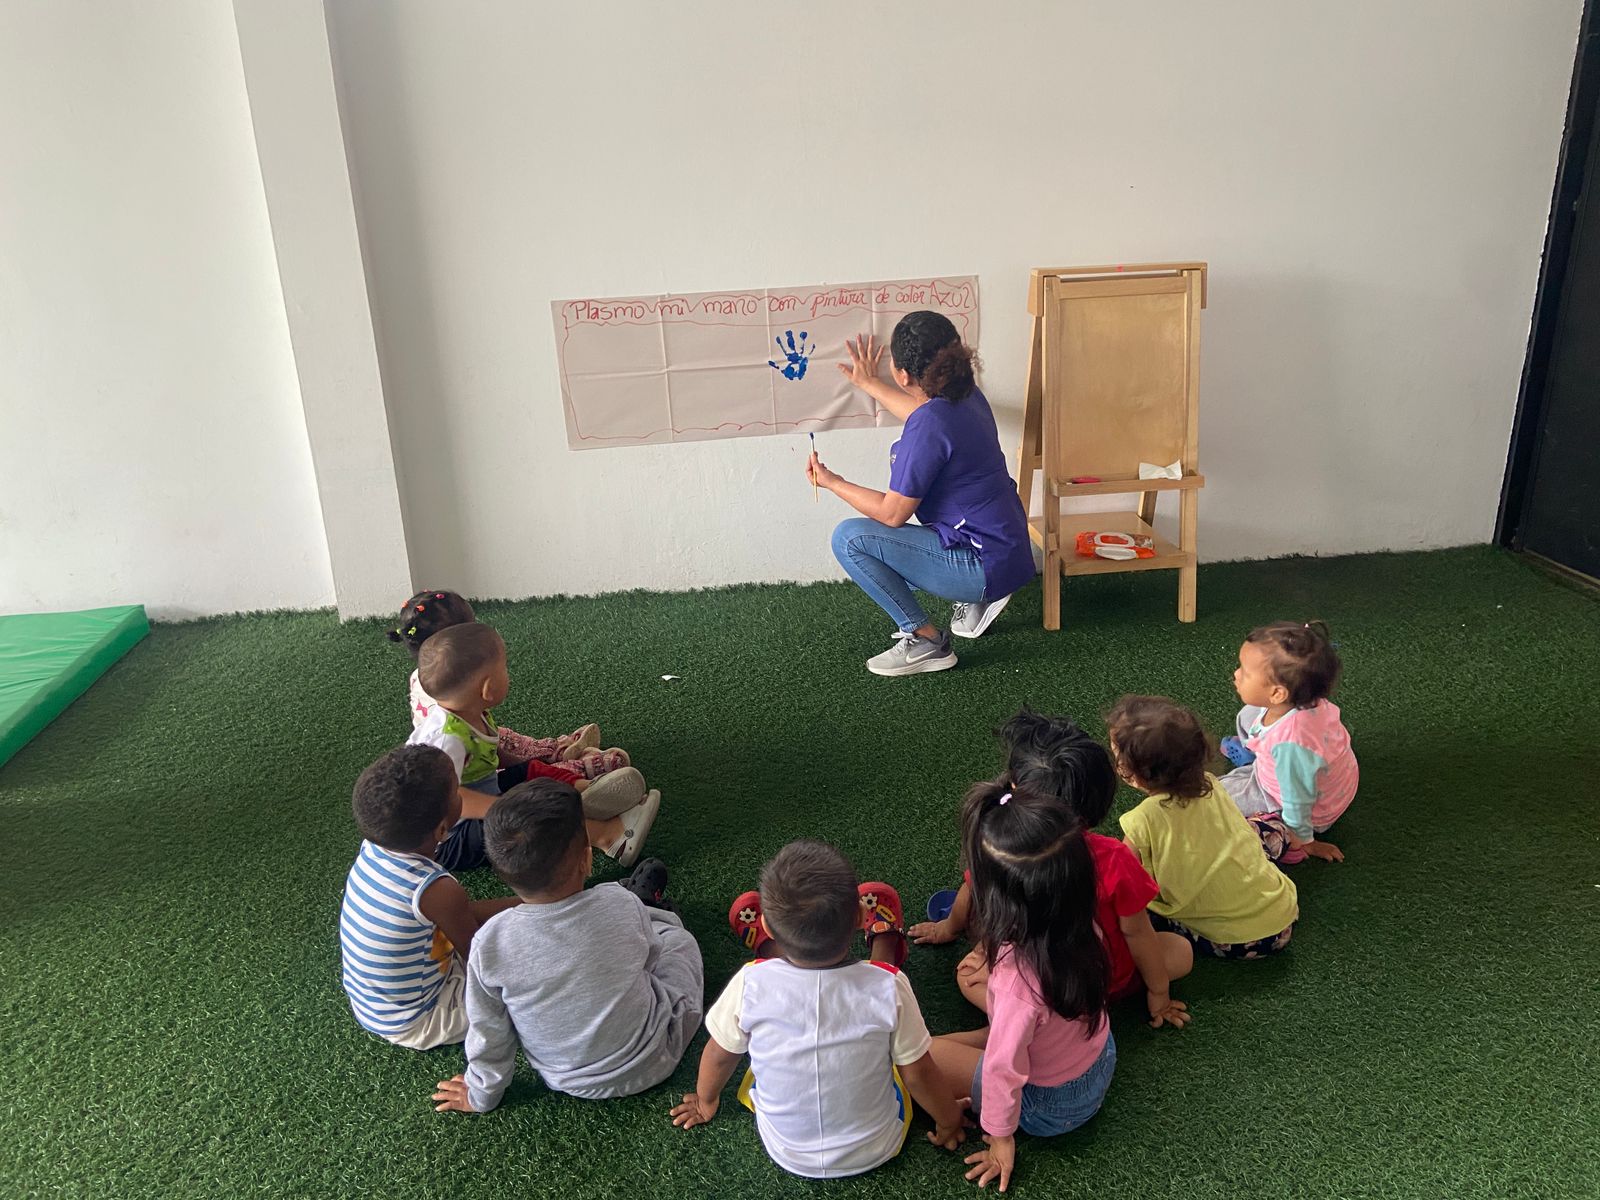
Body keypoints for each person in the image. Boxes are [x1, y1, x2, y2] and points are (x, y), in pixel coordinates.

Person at [669, 841, 965, 1180]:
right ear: (860, 916)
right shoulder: (890, 986)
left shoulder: (750, 983)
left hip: (786, 1150)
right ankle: (884, 948)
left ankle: (773, 951)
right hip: (878, 1144)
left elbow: (720, 1055)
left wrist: (706, 1101)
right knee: (893, 1036)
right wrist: (949, 1121)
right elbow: (918, 1073)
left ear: (766, 925)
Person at [909, 708, 1193, 1030]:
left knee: (968, 975)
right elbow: (1137, 932)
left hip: (1044, 986)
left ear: (1015, 790)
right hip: (1105, 981)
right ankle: (1067, 1015)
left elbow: (971, 890)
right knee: (1181, 951)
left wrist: (948, 928)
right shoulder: (1115, 857)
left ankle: (1037, 1022)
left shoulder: (1000, 850)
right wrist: (1159, 992)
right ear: (1098, 801)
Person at [431, 780, 703, 1112]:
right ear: (587, 859)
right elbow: (650, 957)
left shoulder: (488, 944)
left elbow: (489, 1034)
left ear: (504, 874)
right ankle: (656, 910)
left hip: (568, 1079)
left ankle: (650, 910)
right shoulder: (619, 902)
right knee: (676, 941)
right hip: (658, 1053)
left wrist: (480, 1096)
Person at [807, 312, 1034, 677]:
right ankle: (978, 599)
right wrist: (869, 383)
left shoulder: (930, 426)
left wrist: (833, 481)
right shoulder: (966, 395)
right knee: (892, 543)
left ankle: (926, 641)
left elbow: (892, 514)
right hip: (1009, 548)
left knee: (849, 539)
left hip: (983, 564)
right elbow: (922, 414)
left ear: (902, 375)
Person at [923, 783, 1118, 1193]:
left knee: (927, 1056)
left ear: (993, 900)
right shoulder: (1085, 928)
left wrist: (1000, 1138)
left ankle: (984, 1059)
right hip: (1099, 1059)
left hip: (1050, 1107)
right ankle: (990, 1039)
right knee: (984, 1025)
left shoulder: (1017, 982)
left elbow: (1002, 1071)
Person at [405, 622, 659, 871]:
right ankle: (611, 837)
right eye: (504, 668)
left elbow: (491, 752)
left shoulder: (468, 713)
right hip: (451, 840)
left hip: (483, 799)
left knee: (530, 771)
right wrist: (505, 808)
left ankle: (587, 793)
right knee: (525, 816)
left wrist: (524, 772)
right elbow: (448, 797)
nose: (508, 674)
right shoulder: (446, 739)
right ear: (488, 688)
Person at [338, 745, 522, 1049]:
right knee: (532, 972)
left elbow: (460, 914)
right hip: (424, 1018)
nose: (463, 794)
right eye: (457, 791)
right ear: (442, 828)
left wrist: (530, 903)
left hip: (377, 1006)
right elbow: (481, 960)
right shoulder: (436, 889)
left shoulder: (376, 848)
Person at [1110, 696, 1300, 959]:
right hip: (1282, 913)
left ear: (1135, 775)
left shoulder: (1142, 820)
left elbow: (1120, 877)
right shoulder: (1209, 783)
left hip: (1238, 942)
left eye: (1118, 757)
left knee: (1146, 911)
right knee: (1263, 824)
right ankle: (1294, 844)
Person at [389, 588, 629, 778]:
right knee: (522, 776)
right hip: (476, 771)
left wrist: (521, 760)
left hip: (479, 744)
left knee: (504, 737)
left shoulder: (438, 682)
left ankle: (551, 751)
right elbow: (458, 791)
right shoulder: (446, 736)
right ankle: (578, 768)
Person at [1218, 620, 1357, 863]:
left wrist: (1305, 840)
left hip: (1301, 807)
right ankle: (1256, 753)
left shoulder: (1291, 745)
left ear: (1277, 694)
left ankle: (1286, 833)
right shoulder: (1308, 700)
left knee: (1215, 797)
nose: (1236, 674)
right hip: (1324, 782)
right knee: (1249, 714)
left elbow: (1298, 800)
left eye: (1245, 672)